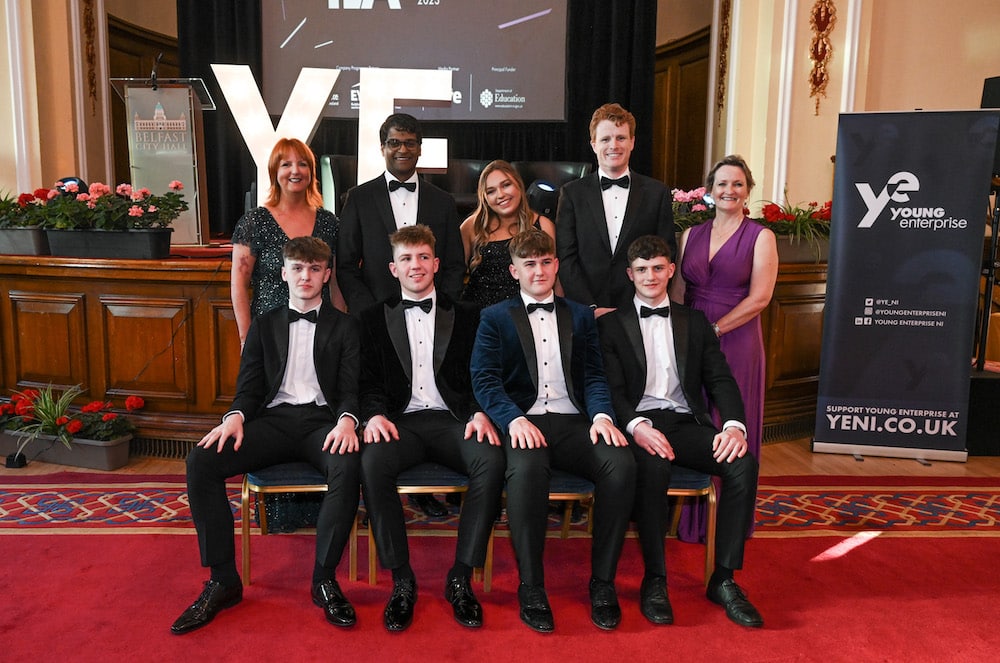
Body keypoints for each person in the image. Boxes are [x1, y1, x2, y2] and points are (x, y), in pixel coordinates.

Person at [171, 237, 362, 635]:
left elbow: (350, 389)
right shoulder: (264, 324)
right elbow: (250, 387)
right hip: (273, 422)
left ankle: (324, 579)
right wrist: (235, 416)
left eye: (314, 269)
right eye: (297, 268)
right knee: (201, 462)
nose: (305, 276)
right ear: (283, 274)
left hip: (322, 424)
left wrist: (347, 420)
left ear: (327, 275)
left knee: (347, 465)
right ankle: (223, 580)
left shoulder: (346, 327)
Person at [471, 228, 636, 633]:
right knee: (525, 473)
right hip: (524, 419)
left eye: (546, 262)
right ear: (514, 271)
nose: (539, 270)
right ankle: (532, 586)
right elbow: (485, 379)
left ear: (556, 265)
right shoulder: (494, 318)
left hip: (574, 420)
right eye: (529, 264)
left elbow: (595, 375)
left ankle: (602, 583)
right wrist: (513, 419)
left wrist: (601, 416)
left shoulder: (580, 315)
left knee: (621, 464)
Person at [598, 235, 763, 629]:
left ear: (671, 270)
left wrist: (734, 427)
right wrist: (636, 427)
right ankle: (655, 580)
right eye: (642, 270)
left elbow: (720, 379)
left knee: (742, 465)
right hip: (641, 424)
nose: (650, 276)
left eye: (658, 268)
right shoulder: (612, 325)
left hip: (687, 423)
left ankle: (723, 579)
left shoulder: (695, 321)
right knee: (652, 472)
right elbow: (612, 391)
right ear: (630, 275)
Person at [358, 225, 505, 631]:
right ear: (393, 268)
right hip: (400, 422)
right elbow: (367, 381)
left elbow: (483, 373)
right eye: (406, 259)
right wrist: (374, 415)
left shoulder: (469, 315)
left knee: (491, 460)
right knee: (372, 463)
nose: (416, 265)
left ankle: (461, 576)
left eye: (423, 257)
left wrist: (479, 412)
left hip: (454, 419)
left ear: (436, 263)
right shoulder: (371, 319)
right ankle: (402, 578)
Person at [671, 155, 778, 541]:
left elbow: (761, 298)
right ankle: (692, 519)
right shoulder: (691, 235)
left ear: (747, 190)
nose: (728, 190)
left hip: (736, 336)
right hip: (694, 333)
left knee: (730, 419)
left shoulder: (761, 237)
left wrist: (713, 329)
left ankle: (729, 520)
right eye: (721, 184)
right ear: (709, 191)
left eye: (737, 184)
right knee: (696, 416)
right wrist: (680, 334)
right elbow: (680, 290)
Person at [337, 113, 466, 312]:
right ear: (383, 148)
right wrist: (369, 312)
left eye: (410, 143)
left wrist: (442, 307)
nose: (403, 149)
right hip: (375, 316)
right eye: (394, 143)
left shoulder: (443, 201)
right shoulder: (358, 198)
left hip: (433, 314)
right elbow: (346, 265)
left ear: (420, 149)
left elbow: (455, 264)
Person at [556, 103, 675, 317]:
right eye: (605, 139)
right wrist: (589, 307)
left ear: (632, 142)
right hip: (587, 310)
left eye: (621, 138)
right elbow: (566, 258)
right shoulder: (572, 194)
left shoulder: (657, 193)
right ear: (593, 144)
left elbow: (666, 253)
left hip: (640, 309)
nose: (614, 145)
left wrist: (644, 298)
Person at [231, 137, 346, 349]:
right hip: (268, 335)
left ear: (311, 172)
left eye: (302, 164)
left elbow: (336, 283)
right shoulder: (254, 221)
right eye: (286, 164)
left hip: (321, 334)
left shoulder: (330, 222)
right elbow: (239, 285)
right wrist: (246, 339)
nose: (295, 171)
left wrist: (342, 334)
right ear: (274, 172)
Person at [459, 160, 559, 307]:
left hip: (527, 315)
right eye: (491, 191)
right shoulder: (472, 226)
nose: (500, 195)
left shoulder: (543, 225)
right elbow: (454, 276)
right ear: (484, 197)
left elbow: (555, 279)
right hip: (478, 315)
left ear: (518, 185)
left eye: (506, 185)